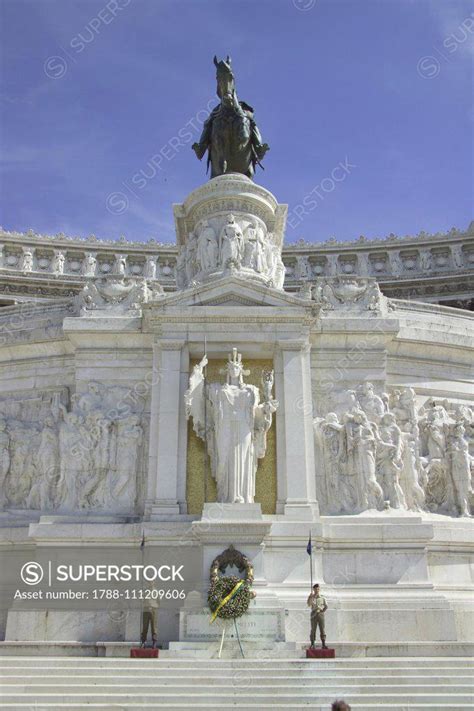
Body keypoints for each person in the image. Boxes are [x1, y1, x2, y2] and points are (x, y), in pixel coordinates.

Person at [307, 582, 328, 648]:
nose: (317, 590)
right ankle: (312, 643)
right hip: (313, 614)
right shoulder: (312, 597)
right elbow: (309, 604)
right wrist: (310, 597)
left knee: (322, 629)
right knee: (313, 629)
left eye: (318, 589)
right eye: (315, 589)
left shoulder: (322, 597)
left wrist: (322, 611)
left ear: (319, 589)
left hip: (320, 614)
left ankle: (323, 644)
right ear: (313, 589)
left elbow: (326, 606)